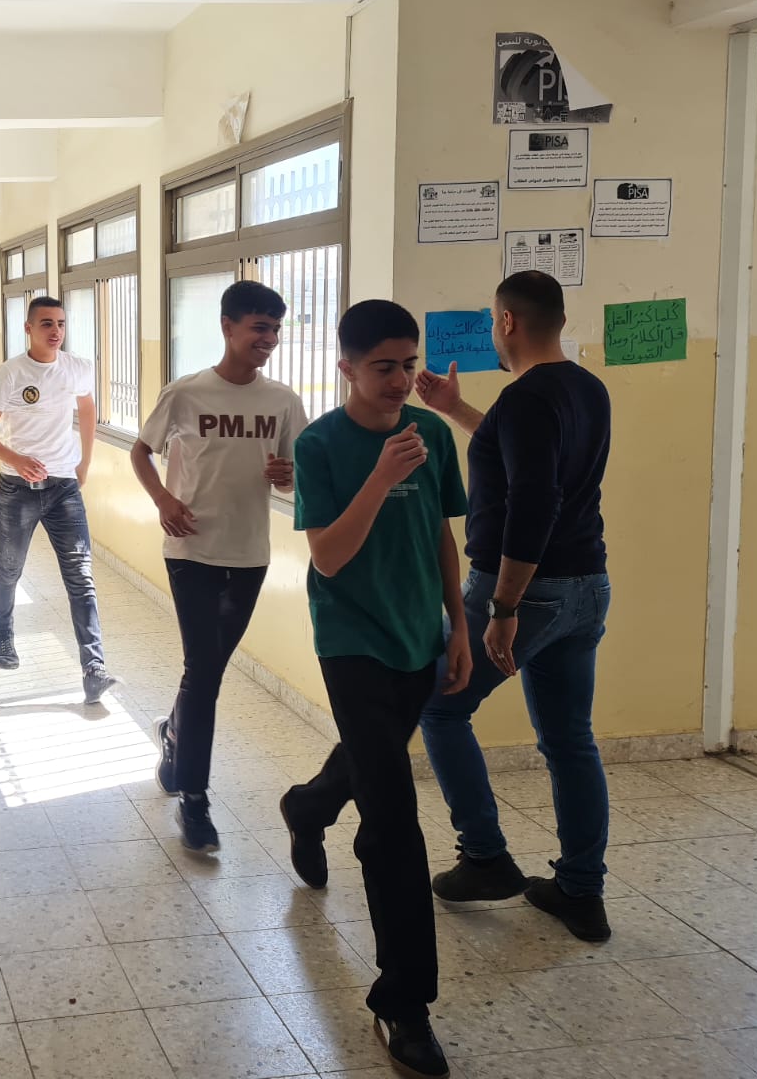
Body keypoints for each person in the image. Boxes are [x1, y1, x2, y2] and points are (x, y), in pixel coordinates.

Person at [279, 300, 472, 1079]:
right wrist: (382, 475)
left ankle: (308, 806)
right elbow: (328, 555)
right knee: (393, 817)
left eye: (408, 364)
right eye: (383, 366)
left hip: (417, 637)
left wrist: (458, 625)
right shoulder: (321, 444)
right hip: (351, 641)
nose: (400, 380)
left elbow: (441, 535)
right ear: (347, 368)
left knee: (371, 760)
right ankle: (404, 1004)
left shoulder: (432, 433)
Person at [415, 270, 614, 942]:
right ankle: (581, 891)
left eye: (493, 322)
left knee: (441, 706)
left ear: (507, 322)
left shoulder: (527, 397)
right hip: (587, 586)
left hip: (529, 590)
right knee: (569, 739)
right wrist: (456, 409)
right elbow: (525, 460)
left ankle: (484, 857)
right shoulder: (586, 387)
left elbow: (535, 501)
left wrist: (504, 607)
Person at [130, 280, 307, 852]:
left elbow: (296, 474)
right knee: (204, 672)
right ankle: (195, 798)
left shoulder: (283, 401)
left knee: (206, 671)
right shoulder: (186, 393)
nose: (269, 339)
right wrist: (163, 499)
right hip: (191, 551)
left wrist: (288, 476)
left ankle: (173, 734)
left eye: (275, 329)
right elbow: (141, 451)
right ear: (228, 327)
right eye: (259, 328)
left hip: (250, 553)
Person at [0, 296, 118, 704]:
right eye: (46, 324)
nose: (56, 331)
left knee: (81, 576)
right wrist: (17, 460)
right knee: (10, 567)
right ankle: (2, 635)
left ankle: (94, 667)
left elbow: (87, 410)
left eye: (60, 323)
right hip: (17, 490)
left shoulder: (77, 368)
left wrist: (85, 461)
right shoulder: (11, 372)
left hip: (63, 488)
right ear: (28, 329)